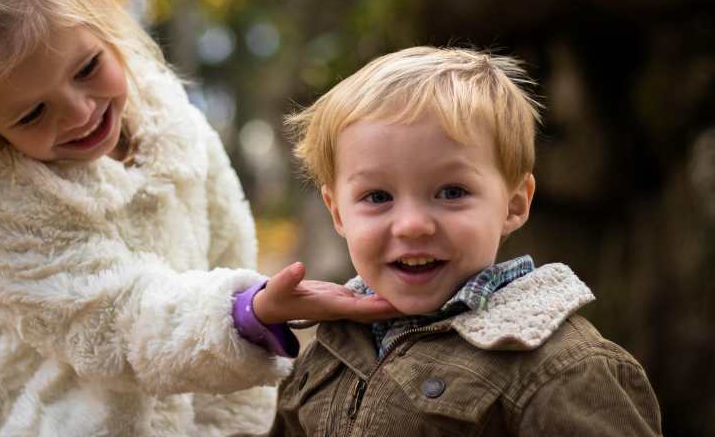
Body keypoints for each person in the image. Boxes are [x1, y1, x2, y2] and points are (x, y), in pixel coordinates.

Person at [0, 0, 399, 437]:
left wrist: (233, 417)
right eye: (33, 113)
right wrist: (246, 314)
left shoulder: (170, 123)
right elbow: (114, 324)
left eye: (87, 68)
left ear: (107, 27)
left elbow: (226, 244)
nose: (79, 112)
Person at [238, 47, 663, 436]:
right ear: (338, 213)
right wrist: (248, 318)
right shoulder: (329, 348)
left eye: (452, 192)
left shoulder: (562, 368)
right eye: (378, 197)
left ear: (513, 205)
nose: (411, 226)